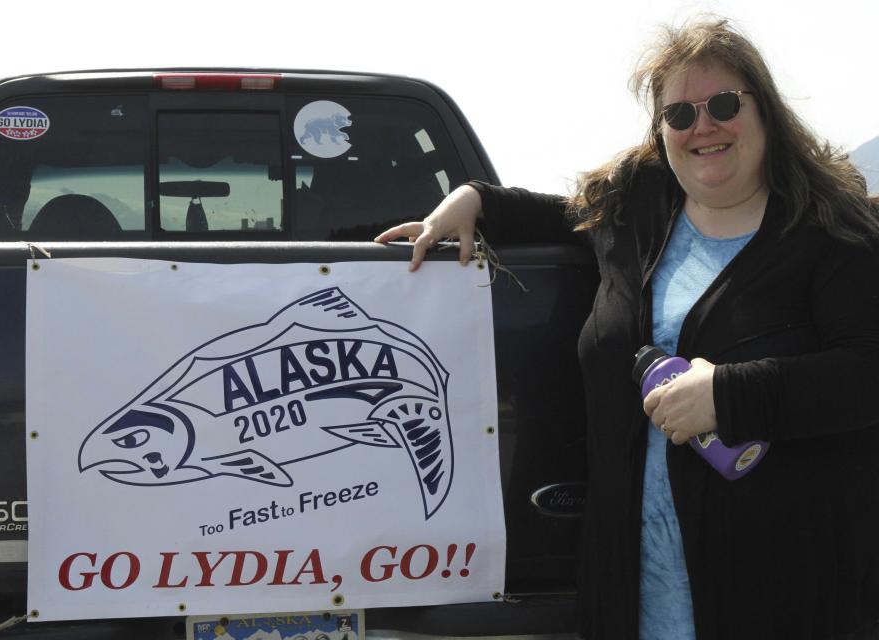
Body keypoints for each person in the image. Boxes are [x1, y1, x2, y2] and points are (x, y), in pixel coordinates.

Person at [375, 17, 879, 640]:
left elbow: (865, 373)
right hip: (634, 590)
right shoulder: (635, 214)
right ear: (661, 131)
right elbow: (560, 217)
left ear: (766, 113)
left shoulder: (835, 233)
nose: (704, 127)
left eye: (724, 104)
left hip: (785, 593)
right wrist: (476, 199)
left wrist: (728, 396)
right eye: (680, 115)